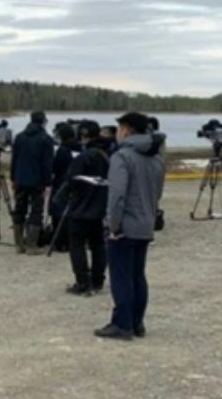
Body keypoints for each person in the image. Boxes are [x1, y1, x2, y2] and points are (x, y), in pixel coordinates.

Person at [95, 112, 165, 340]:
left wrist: (113, 225)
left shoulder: (122, 157)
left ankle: (123, 324)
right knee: (137, 275)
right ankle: (137, 322)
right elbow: (158, 192)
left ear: (125, 130)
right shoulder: (155, 157)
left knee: (121, 277)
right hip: (145, 223)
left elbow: (116, 195)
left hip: (125, 225)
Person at [54, 120, 110, 295]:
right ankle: (98, 280)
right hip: (99, 207)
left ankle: (83, 282)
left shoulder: (83, 158)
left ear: (83, 135)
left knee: (77, 245)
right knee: (98, 244)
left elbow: (71, 181)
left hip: (80, 207)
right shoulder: (106, 156)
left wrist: (60, 197)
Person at [10, 110, 54, 255]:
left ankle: (18, 243)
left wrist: (13, 178)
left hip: (20, 178)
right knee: (36, 211)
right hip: (38, 180)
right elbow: (47, 164)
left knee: (19, 209)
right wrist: (48, 182)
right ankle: (31, 244)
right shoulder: (46, 139)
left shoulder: (19, 137)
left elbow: (14, 159)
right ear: (43, 121)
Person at [48, 122, 77, 252]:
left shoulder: (62, 150)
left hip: (61, 182)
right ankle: (71, 241)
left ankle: (59, 242)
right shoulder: (79, 148)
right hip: (75, 183)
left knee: (58, 212)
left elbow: (55, 168)